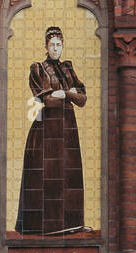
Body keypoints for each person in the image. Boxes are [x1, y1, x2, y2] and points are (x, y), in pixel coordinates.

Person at [16, 26, 88, 235]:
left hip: (68, 128)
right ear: (46, 47)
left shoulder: (67, 67)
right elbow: (46, 99)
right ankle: (49, 226)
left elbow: (82, 99)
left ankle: (71, 223)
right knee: (49, 174)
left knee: (70, 174)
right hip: (47, 127)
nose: (55, 48)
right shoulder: (38, 68)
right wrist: (69, 93)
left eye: (59, 45)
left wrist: (64, 93)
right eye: (52, 45)